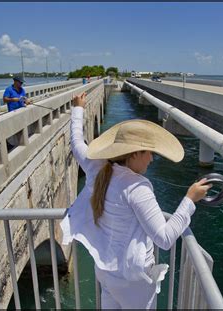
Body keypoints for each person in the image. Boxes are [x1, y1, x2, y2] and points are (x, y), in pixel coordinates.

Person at [60, 92, 212, 309]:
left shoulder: (98, 167)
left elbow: (76, 142)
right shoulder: (137, 187)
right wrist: (190, 199)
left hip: (106, 273)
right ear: (133, 154)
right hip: (133, 280)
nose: (152, 158)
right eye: (149, 152)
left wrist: (78, 108)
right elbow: (165, 239)